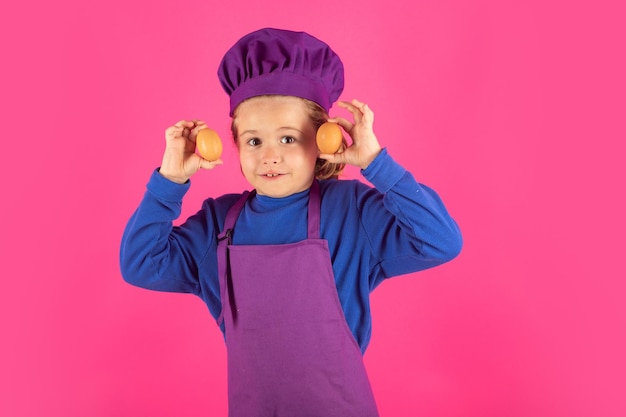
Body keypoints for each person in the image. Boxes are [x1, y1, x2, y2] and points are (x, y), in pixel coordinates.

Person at [120, 27, 462, 417]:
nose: (270, 156)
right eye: (253, 141)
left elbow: (440, 241)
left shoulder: (352, 211)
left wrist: (377, 164)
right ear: (234, 143)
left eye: (288, 139)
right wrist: (169, 181)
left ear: (324, 141)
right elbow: (140, 264)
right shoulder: (218, 222)